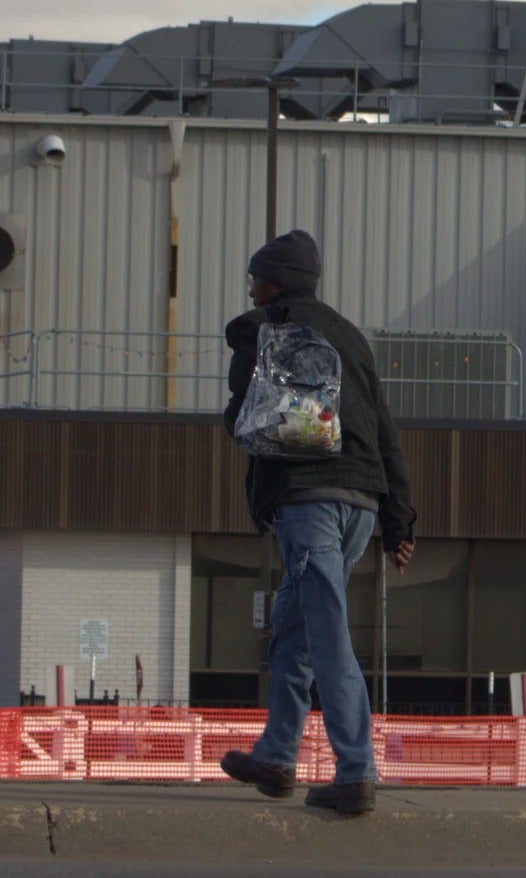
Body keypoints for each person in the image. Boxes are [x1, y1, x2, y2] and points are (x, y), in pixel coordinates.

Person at [218, 229, 416, 815]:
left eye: (255, 277)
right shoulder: (351, 337)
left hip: (308, 502)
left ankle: (356, 773)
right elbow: (386, 435)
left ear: (273, 280)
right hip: (361, 503)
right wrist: (399, 524)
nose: (250, 289)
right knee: (296, 632)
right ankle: (277, 759)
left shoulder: (266, 329)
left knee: (328, 637)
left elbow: (242, 417)